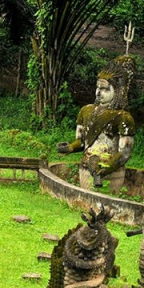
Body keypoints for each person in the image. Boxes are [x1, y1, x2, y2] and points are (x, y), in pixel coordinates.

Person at [57, 56, 135, 193]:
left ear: (118, 91)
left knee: (106, 200)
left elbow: (125, 153)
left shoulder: (123, 117)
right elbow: (82, 142)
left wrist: (107, 168)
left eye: (105, 89)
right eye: (98, 88)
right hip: (86, 166)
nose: (99, 93)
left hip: (110, 171)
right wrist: (70, 147)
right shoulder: (86, 111)